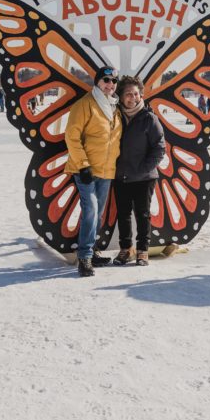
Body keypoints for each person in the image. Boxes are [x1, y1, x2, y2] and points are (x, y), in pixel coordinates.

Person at [64, 66, 123, 276]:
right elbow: (71, 136)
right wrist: (82, 164)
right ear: (97, 82)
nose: (110, 84)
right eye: (106, 80)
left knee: (97, 215)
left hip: (107, 170)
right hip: (86, 169)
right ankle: (85, 256)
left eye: (114, 81)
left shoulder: (115, 107)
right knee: (91, 210)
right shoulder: (85, 105)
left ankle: (92, 249)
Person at [111, 76, 165, 267]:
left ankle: (142, 251)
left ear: (140, 94)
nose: (132, 97)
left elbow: (159, 148)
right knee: (123, 214)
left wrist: (143, 169)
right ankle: (126, 250)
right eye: (128, 94)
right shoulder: (115, 116)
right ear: (121, 96)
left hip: (144, 177)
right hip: (120, 175)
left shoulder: (149, 118)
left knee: (142, 214)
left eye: (135, 93)